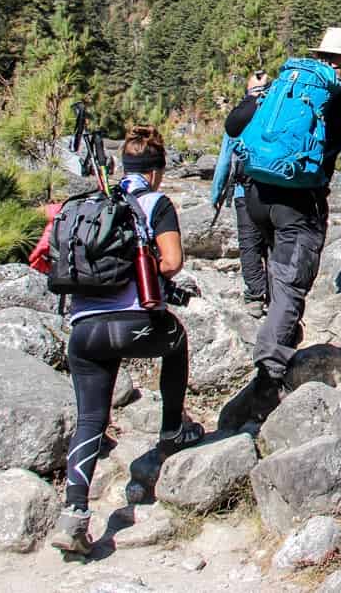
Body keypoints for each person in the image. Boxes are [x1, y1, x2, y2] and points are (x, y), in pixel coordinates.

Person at [220, 27, 341, 427]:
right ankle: (269, 378)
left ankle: (278, 339)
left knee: (274, 279)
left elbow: (234, 127)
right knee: (288, 284)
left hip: (256, 196)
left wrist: (253, 95)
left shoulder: (282, 85)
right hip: (299, 201)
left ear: (318, 55)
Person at [49, 125, 202, 556]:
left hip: (83, 331)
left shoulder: (97, 203)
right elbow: (171, 263)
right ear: (156, 171)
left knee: (90, 420)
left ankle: (74, 515)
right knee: (177, 338)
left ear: (123, 167)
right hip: (132, 325)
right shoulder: (155, 202)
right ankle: (172, 428)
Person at [211, 112, 268, 317]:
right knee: (271, 242)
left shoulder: (238, 119)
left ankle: (255, 295)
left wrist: (216, 194)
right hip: (275, 191)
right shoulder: (276, 115)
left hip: (244, 191)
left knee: (249, 244)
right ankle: (274, 293)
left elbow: (225, 161)